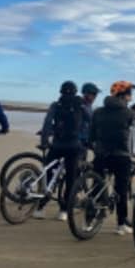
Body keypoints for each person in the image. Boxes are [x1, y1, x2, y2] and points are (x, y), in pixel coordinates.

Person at [90, 80, 135, 235]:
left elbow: (91, 136)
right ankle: (121, 224)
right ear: (124, 95)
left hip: (101, 154)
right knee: (121, 190)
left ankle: (88, 221)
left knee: (96, 187)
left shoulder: (98, 112)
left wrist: (96, 147)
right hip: (120, 156)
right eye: (130, 93)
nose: (131, 96)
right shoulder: (129, 113)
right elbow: (133, 134)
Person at [33, 81, 85, 220]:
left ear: (60, 92)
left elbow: (47, 122)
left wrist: (44, 142)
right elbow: (89, 122)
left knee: (48, 174)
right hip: (73, 146)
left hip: (57, 145)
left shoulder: (56, 105)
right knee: (70, 179)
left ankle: (40, 207)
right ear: (75, 92)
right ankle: (63, 210)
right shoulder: (80, 105)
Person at [80, 82, 101, 148]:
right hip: (81, 139)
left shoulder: (88, 106)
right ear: (86, 93)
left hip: (84, 138)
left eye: (96, 94)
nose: (95, 96)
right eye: (94, 94)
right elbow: (92, 120)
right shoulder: (83, 106)